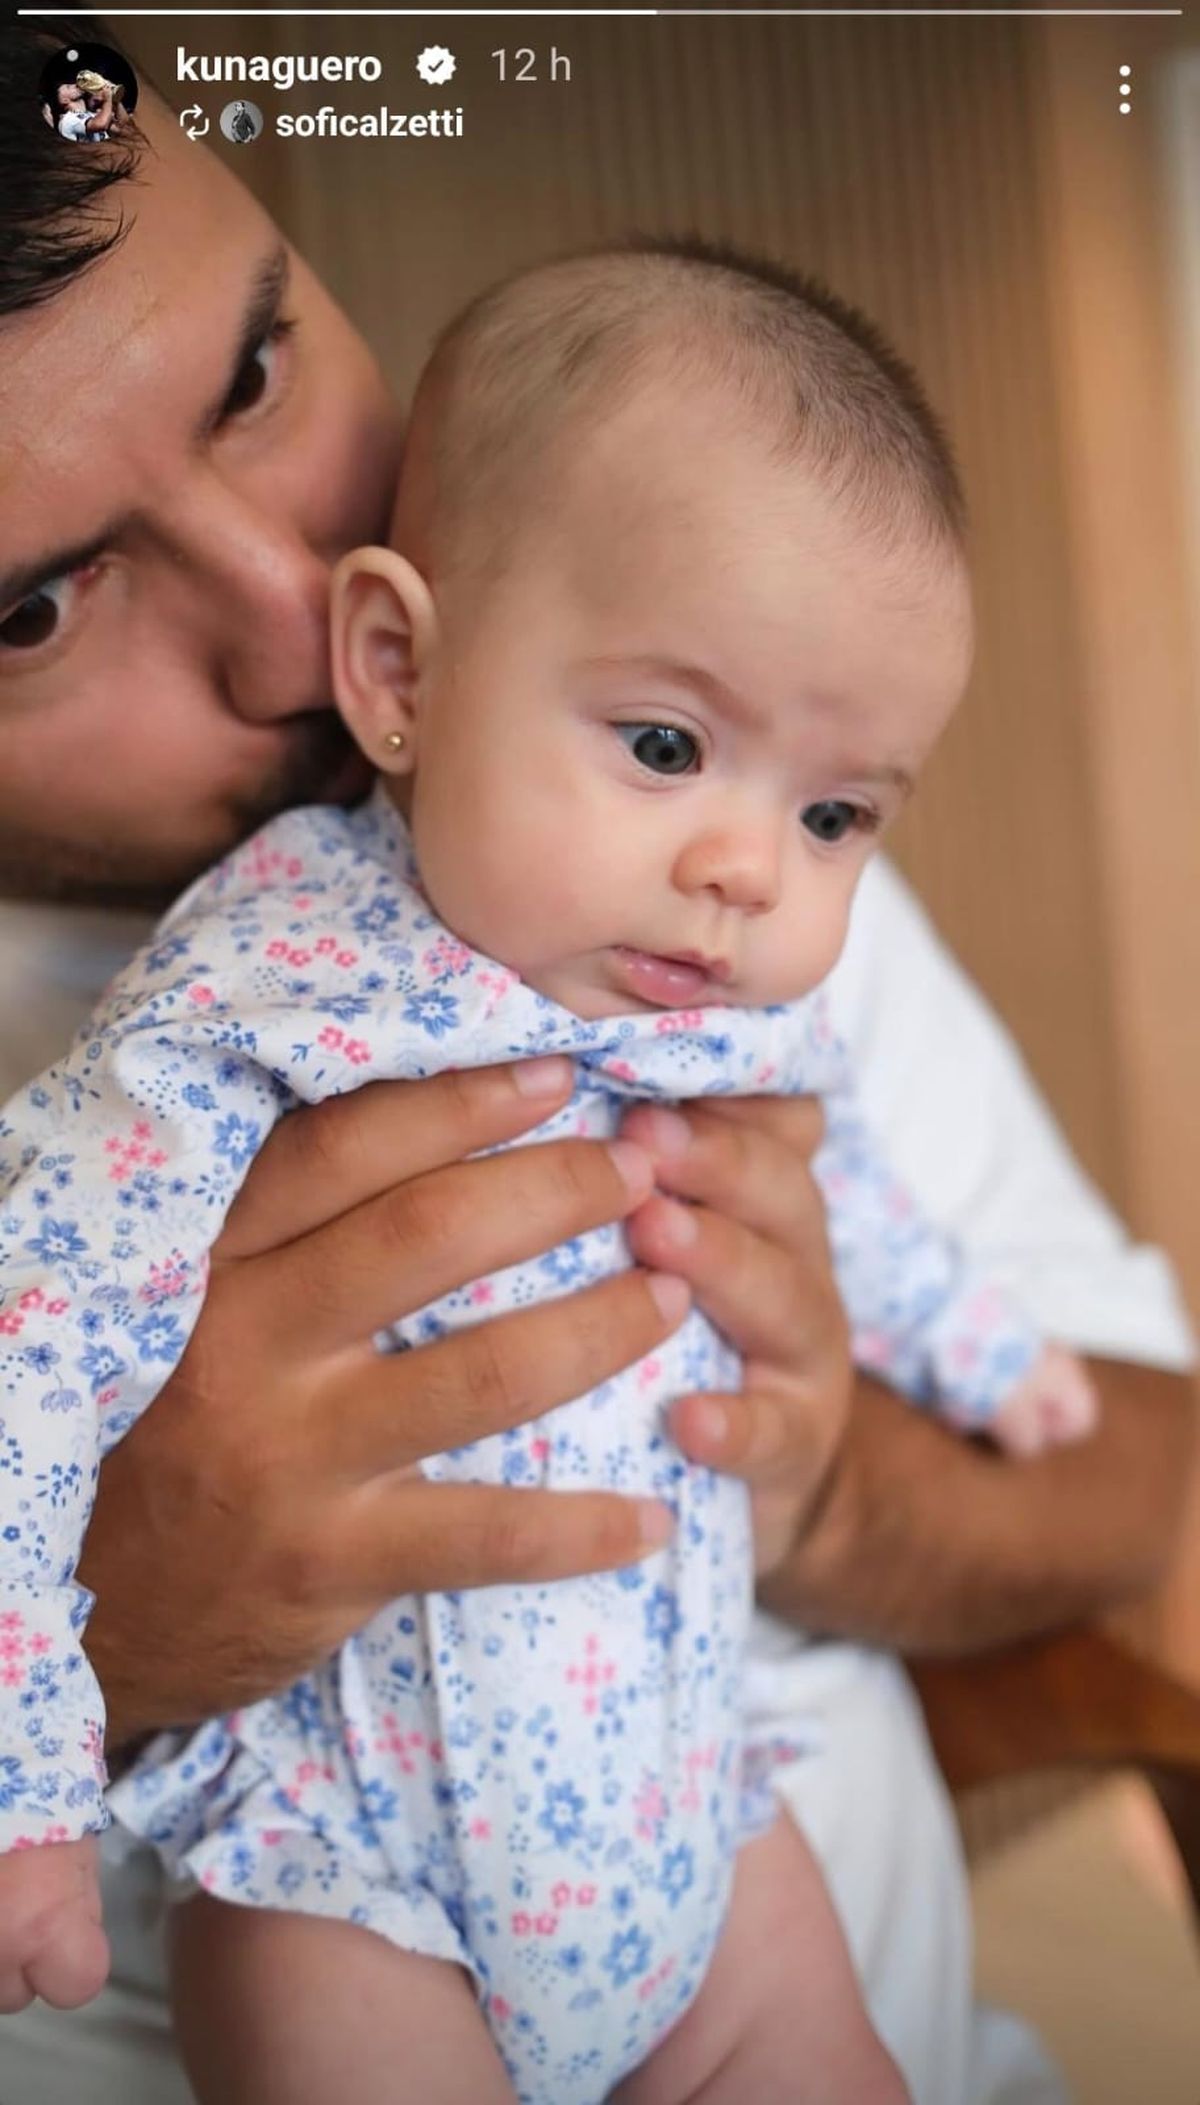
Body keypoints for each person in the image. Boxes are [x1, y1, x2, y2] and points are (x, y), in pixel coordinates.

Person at [0, 18, 1192, 2105]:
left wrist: (830, 1469)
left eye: (261, 372)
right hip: (353, 1890)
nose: (295, 615)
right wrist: (102, 1634)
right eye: (30, 609)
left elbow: (1138, 1465)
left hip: (706, 1832)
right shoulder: (254, 997)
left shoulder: (682, 868)